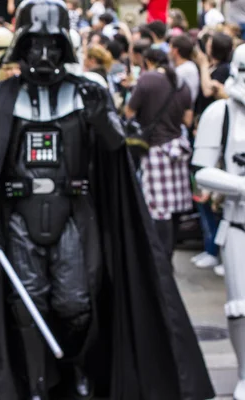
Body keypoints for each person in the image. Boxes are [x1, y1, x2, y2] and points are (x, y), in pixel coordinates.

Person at [0, 1, 213, 399]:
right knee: (26, 305)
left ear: (65, 47)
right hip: (18, 217)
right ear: (21, 48)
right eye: (35, 45)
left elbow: (117, 154)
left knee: (76, 304)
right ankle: (38, 382)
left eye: (52, 45)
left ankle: (77, 369)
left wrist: (102, 117)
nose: (43, 55)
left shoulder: (87, 94)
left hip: (73, 213)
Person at [193, 42, 245, 400]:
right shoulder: (220, 113)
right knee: (239, 304)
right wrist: (240, 185)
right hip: (237, 220)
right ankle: (244, 372)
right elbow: (201, 171)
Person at [125, 48, 193, 260]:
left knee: (158, 210)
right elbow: (188, 121)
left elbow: (129, 113)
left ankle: (160, 258)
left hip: (155, 151)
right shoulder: (182, 83)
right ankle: (168, 254)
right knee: (173, 209)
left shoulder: (146, 80)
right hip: (177, 149)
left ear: (148, 61)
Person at [195, 32, 233, 117]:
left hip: (212, 116)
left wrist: (203, 66)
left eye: (208, 45)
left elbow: (207, 91)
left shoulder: (223, 69)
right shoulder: (213, 65)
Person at [170, 34, 200, 107]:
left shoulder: (184, 70)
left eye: (170, 47)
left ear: (175, 51)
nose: (168, 51)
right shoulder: (188, 67)